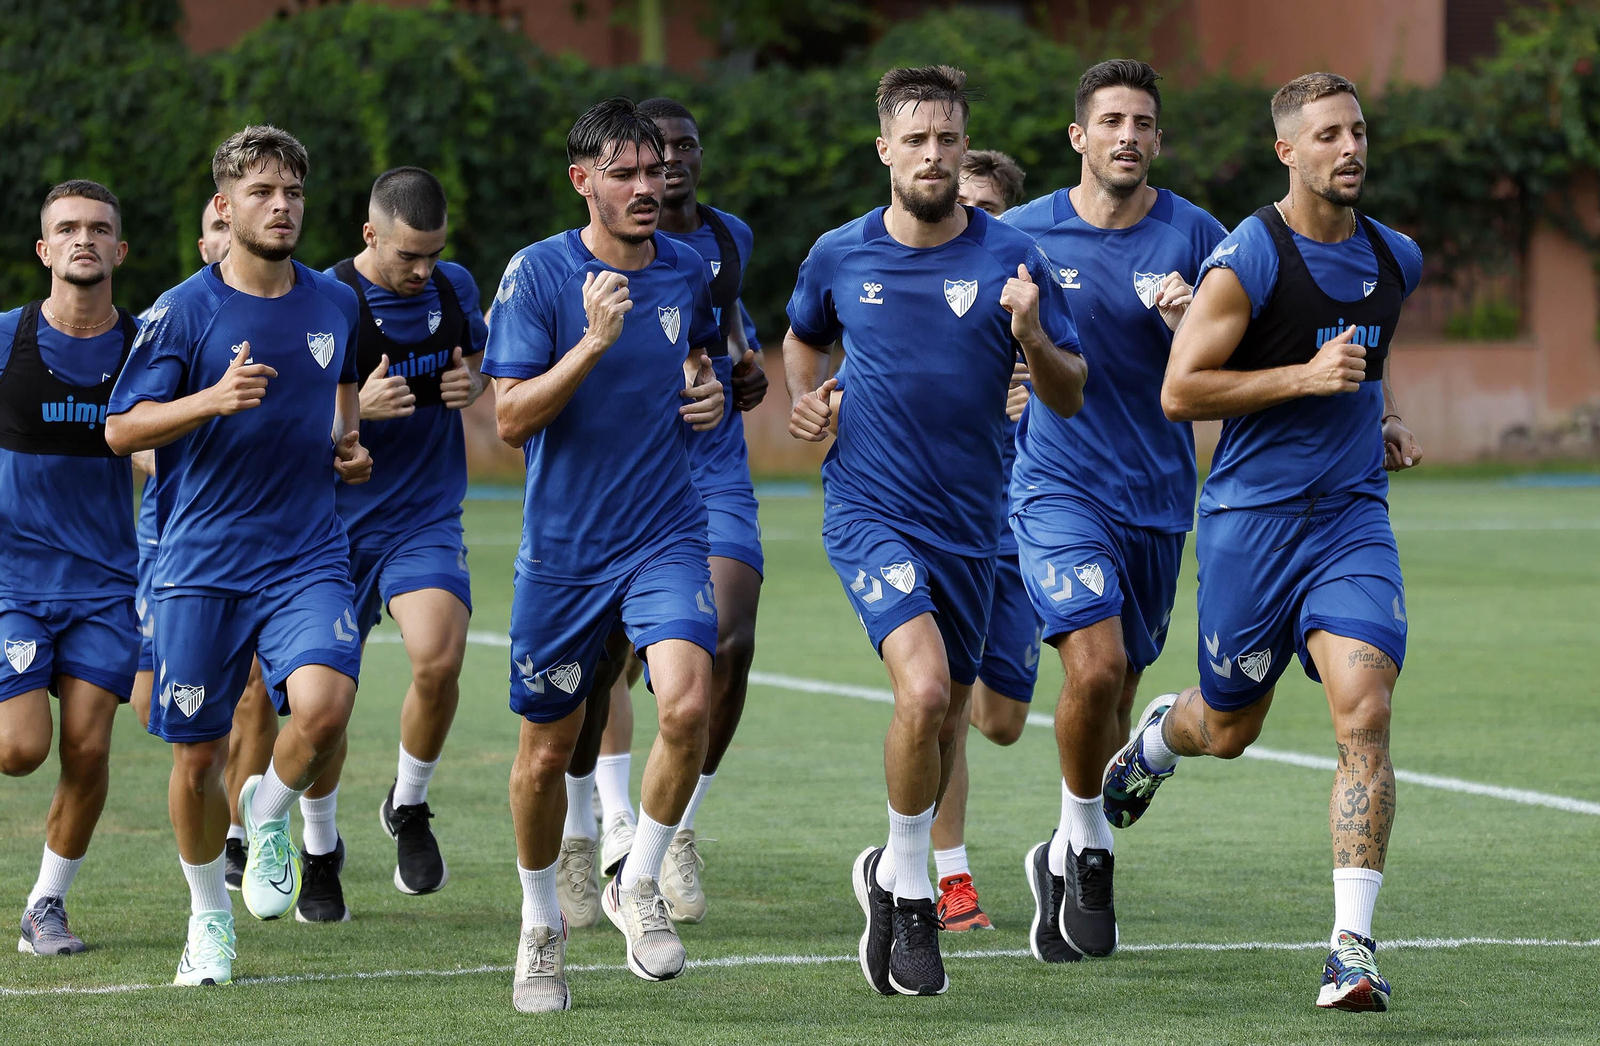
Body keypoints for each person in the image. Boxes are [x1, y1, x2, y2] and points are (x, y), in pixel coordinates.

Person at [1104, 72, 1424, 1013]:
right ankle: (1162, 739)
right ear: (1289, 151)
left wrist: (1387, 413)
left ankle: (1351, 949)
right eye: (1328, 135)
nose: (1350, 148)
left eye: (1358, 131)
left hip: (1352, 521)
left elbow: (1374, 352)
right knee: (1230, 729)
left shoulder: (1393, 254)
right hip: (1251, 526)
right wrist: (1304, 379)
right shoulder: (1248, 257)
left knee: (1364, 713)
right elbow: (1180, 391)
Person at [784, 66, 1084, 997]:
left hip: (973, 522)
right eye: (914, 140)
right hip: (871, 510)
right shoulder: (840, 254)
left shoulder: (1013, 257)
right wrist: (809, 400)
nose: (932, 155)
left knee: (958, 718)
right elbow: (801, 336)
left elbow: (1070, 391)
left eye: (947, 139)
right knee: (921, 694)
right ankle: (911, 888)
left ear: (965, 147)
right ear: (885, 149)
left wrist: (1031, 336)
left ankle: (889, 869)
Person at [106, 125, 372, 986]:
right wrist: (210, 400)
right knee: (194, 758)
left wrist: (350, 446)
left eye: (292, 192)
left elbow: (339, 404)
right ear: (225, 206)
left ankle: (265, 807)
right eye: (261, 192)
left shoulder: (335, 302)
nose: (282, 206)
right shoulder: (183, 311)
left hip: (307, 552)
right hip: (201, 562)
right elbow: (119, 429)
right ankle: (206, 921)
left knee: (325, 710)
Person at [484, 97, 725, 1013]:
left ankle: (639, 881)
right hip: (565, 554)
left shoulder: (686, 269)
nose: (646, 188)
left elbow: (696, 361)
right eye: (622, 174)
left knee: (688, 704)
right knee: (546, 757)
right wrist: (592, 343)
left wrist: (702, 394)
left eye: (654, 171)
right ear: (582, 181)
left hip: (664, 532)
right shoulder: (539, 275)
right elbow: (508, 419)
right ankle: (540, 925)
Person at [998, 59, 1227, 962]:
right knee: (1091, 671)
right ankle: (1089, 847)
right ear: (1078, 138)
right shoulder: (1020, 234)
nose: (1127, 135)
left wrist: (1192, 328)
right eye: (1111, 121)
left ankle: (1059, 846)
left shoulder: (1197, 234)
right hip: (1059, 489)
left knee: (1120, 685)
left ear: (1157, 141)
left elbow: (1229, 365)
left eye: (1142, 122)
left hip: (1161, 502)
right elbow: (945, 330)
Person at [226, 166, 487, 923]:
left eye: (435, 254)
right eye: (409, 256)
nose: (423, 271)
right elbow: (270, 419)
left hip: (423, 516)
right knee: (324, 707)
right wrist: (355, 411)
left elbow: (475, 359)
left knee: (439, 658)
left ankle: (408, 804)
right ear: (369, 235)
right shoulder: (326, 302)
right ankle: (318, 846)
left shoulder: (453, 291)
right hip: (324, 532)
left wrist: (471, 379)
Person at [558, 96, 768, 929]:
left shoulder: (727, 240)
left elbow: (721, 340)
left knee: (731, 639)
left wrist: (738, 379)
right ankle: (589, 826)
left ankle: (670, 826)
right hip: (620, 476)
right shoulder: (587, 254)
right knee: (601, 660)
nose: (668, 164)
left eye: (683, 146)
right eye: (649, 155)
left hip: (709, 466)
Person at [2, 180, 139, 956]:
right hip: (14, 585)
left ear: (119, 250)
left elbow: (169, 446)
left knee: (87, 750)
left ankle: (45, 907)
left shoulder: (146, 346)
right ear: (45, 250)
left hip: (106, 587)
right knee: (19, 750)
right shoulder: (7, 340)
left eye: (98, 229)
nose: (83, 239)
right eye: (67, 229)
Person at [129, 201, 276, 896]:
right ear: (204, 242)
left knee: (258, 692)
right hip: (173, 541)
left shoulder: (285, 314)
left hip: (263, 548)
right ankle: (210, 812)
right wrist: (198, 447)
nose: (226, 244)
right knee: (159, 709)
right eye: (215, 233)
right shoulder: (179, 320)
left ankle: (244, 833)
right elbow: (133, 434)